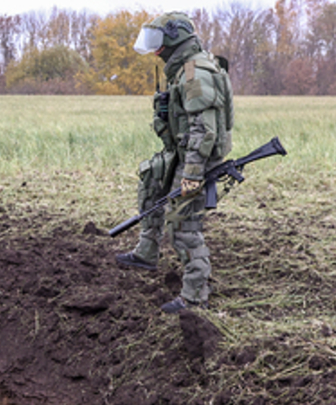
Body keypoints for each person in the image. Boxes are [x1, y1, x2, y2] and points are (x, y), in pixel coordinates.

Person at [116, 12, 234, 314]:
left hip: (198, 156)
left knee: (183, 224)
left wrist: (193, 173)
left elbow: (204, 129)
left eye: (158, 43)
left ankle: (195, 296)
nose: (155, 51)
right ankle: (146, 252)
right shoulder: (183, 69)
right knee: (152, 182)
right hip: (184, 151)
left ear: (174, 39)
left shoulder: (195, 72)